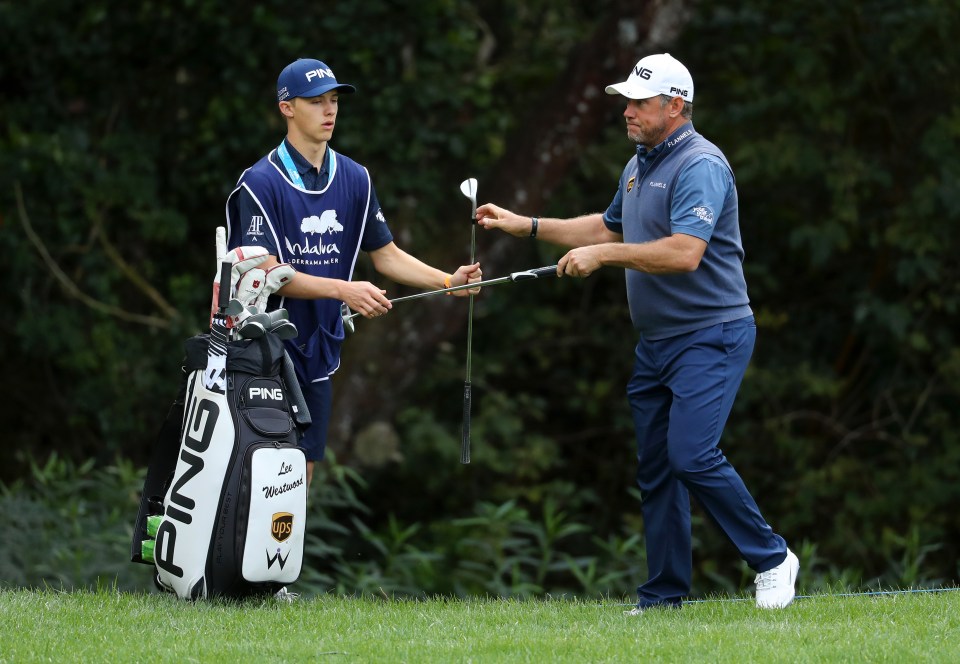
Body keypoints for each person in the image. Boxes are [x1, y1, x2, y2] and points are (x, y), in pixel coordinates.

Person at [475, 53, 798, 611]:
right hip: (657, 344)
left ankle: (772, 558)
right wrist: (525, 224)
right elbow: (605, 226)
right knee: (656, 468)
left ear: (675, 106)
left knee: (692, 456)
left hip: (711, 334)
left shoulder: (701, 164)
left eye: (639, 102)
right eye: (626, 100)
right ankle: (664, 594)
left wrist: (602, 256)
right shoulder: (639, 163)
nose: (627, 111)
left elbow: (685, 253)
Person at [226, 58, 481, 487]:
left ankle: (289, 559)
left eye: (334, 100)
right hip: (264, 351)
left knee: (300, 478)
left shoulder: (355, 178)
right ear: (287, 107)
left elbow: (387, 255)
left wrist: (445, 282)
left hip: (319, 351)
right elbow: (266, 273)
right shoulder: (259, 182)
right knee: (258, 477)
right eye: (315, 102)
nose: (329, 111)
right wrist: (344, 290)